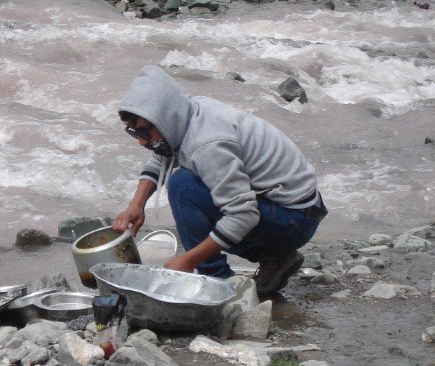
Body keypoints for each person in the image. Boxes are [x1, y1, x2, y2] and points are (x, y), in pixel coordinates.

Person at [112, 65, 327, 297]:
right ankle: (274, 256)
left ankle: (217, 281)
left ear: (166, 117)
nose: (142, 143)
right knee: (190, 186)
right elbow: (161, 156)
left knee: (183, 187)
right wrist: (137, 204)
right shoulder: (189, 112)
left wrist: (187, 260)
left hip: (295, 219)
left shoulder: (207, 143)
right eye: (135, 133)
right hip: (290, 206)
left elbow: (243, 215)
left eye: (145, 132)